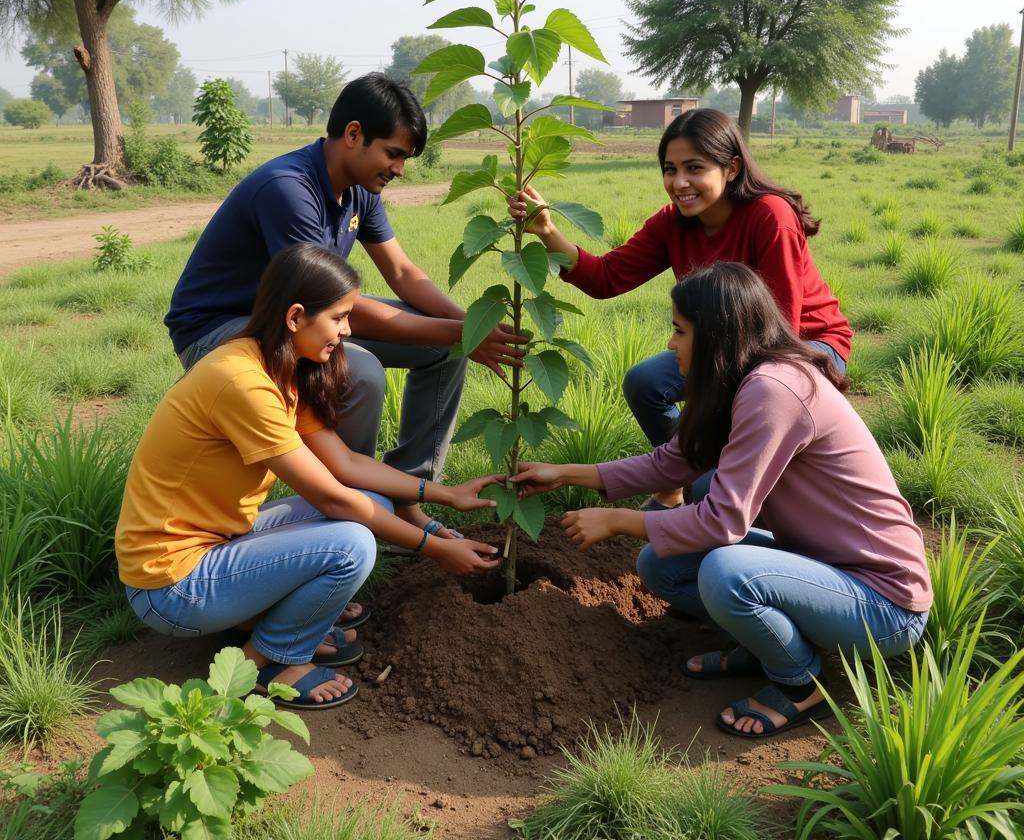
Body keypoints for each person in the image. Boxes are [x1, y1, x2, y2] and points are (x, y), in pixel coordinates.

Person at [510, 263, 931, 739]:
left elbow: (723, 522)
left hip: (882, 601)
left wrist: (617, 520)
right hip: (822, 564)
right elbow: (671, 464)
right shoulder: (740, 381)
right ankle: (767, 646)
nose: (671, 344)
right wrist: (563, 473)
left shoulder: (774, 390)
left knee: (724, 571)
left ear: (715, 335)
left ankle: (801, 685)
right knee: (659, 565)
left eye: (679, 330)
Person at [119, 244, 502, 711]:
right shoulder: (241, 382)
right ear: (297, 316)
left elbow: (347, 467)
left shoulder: (273, 365)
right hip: (171, 586)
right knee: (352, 543)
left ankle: (260, 619)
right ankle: (268, 659)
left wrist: (445, 495)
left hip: (215, 544)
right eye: (340, 317)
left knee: (373, 503)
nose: (346, 331)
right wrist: (438, 548)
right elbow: (331, 498)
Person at [166, 72, 525, 508]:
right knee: (362, 373)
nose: (399, 170)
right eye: (394, 154)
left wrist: (467, 327)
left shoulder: (359, 191)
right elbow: (332, 307)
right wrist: (460, 333)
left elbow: (402, 272)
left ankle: (407, 494)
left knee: (444, 348)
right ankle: (353, 505)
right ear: (354, 134)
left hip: (298, 321)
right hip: (222, 331)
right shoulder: (289, 190)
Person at [509, 107, 852, 510]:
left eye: (694, 168)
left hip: (804, 347)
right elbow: (606, 278)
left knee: (715, 486)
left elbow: (783, 331)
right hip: (725, 344)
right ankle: (675, 481)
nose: (680, 182)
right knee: (645, 382)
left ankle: (726, 485)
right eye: (670, 170)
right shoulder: (672, 223)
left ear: (731, 168)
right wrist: (549, 231)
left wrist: (723, 415)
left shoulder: (769, 216)